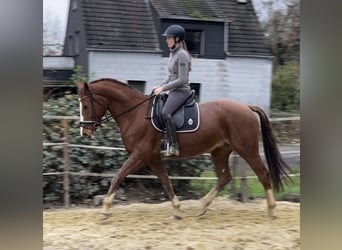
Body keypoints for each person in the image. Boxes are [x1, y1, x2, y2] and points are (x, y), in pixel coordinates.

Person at [153, 24, 192, 156]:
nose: (166, 40)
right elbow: (170, 77)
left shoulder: (182, 56)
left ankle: (174, 145)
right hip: (173, 90)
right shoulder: (173, 54)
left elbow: (181, 80)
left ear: (177, 39)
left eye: (169, 38)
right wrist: (159, 86)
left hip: (182, 91)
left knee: (165, 112)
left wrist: (163, 88)